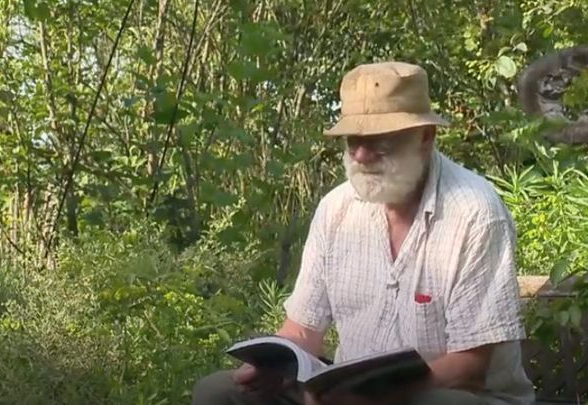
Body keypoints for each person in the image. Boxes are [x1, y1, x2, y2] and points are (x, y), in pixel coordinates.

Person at [191, 61, 535, 405]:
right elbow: (303, 329)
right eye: (353, 139)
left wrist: (371, 399)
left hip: (452, 394)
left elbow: (469, 368)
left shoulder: (474, 211)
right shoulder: (336, 209)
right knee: (219, 393)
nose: (360, 155)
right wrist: (272, 366)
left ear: (425, 137)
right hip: (346, 393)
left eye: (379, 141)